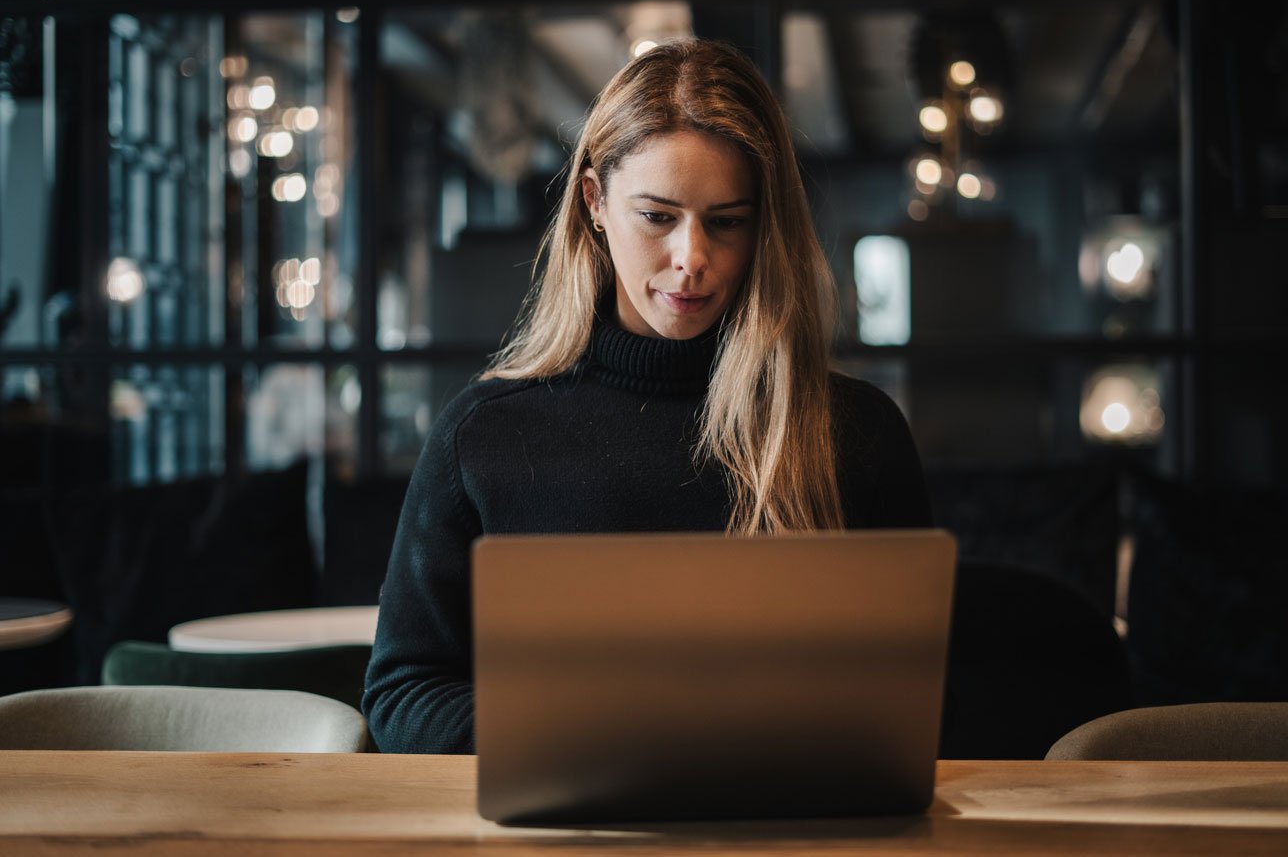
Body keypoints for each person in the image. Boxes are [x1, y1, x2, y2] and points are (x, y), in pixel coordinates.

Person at [363, 38, 932, 754]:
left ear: (765, 224)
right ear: (595, 202)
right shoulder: (483, 435)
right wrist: (565, 743)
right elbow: (403, 688)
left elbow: (918, 693)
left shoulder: (853, 431)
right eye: (658, 217)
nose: (692, 258)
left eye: (726, 221)